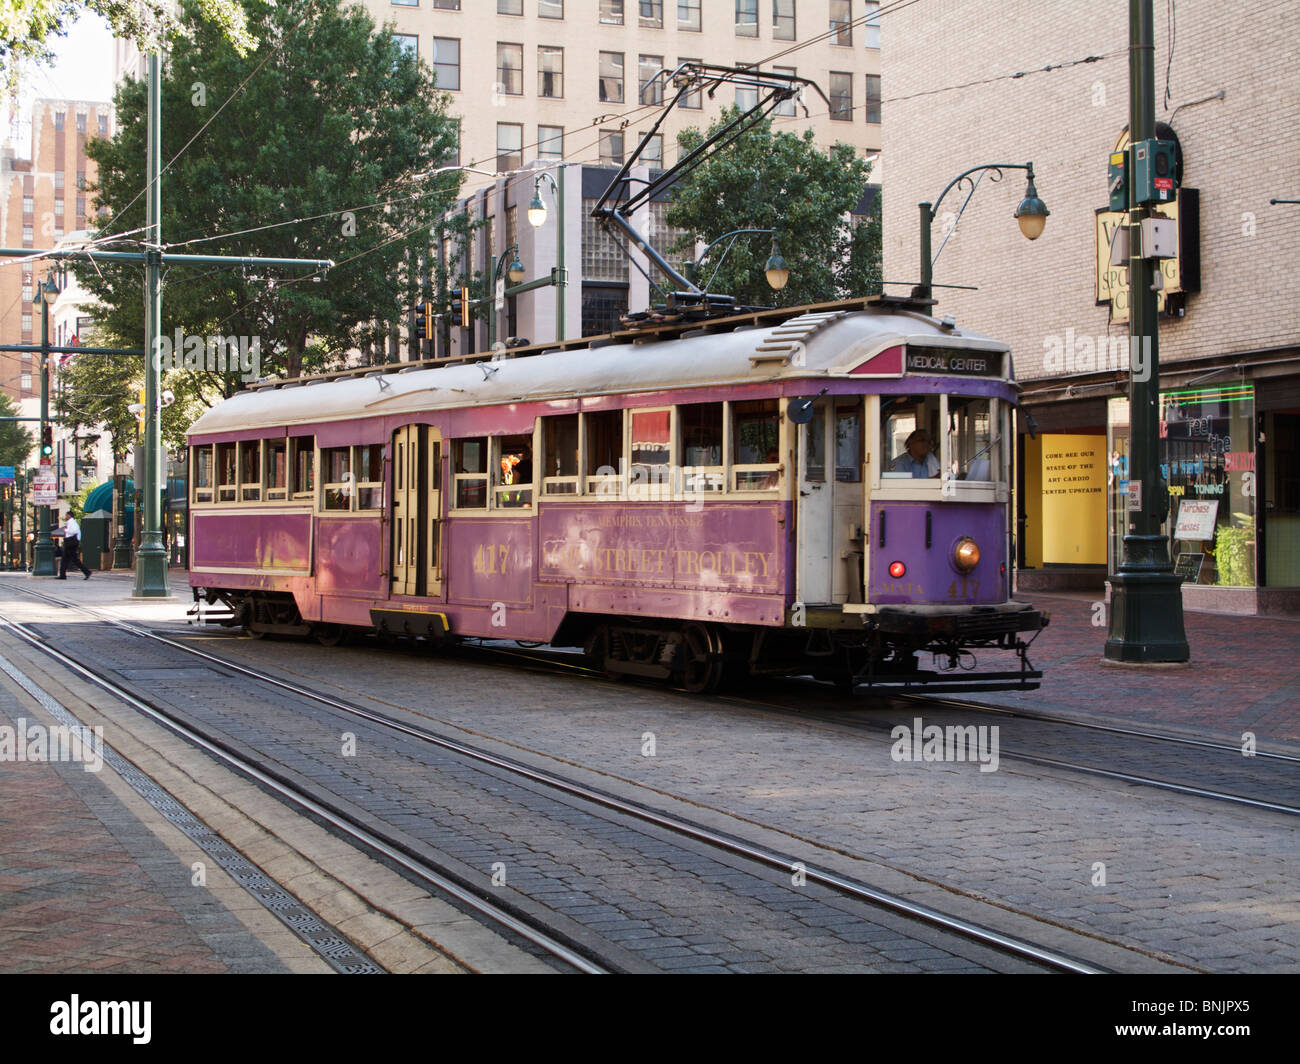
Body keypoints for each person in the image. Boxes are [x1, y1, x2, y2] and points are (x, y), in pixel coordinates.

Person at [55, 511, 92, 579]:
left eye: (66, 515)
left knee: (73, 559)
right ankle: (62, 575)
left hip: (71, 542)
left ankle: (87, 572)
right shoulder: (71, 522)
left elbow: (74, 531)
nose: (65, 517)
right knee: (65, 559)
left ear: (69, 515)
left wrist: (66, 530)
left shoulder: (72, 522)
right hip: (70, 542)